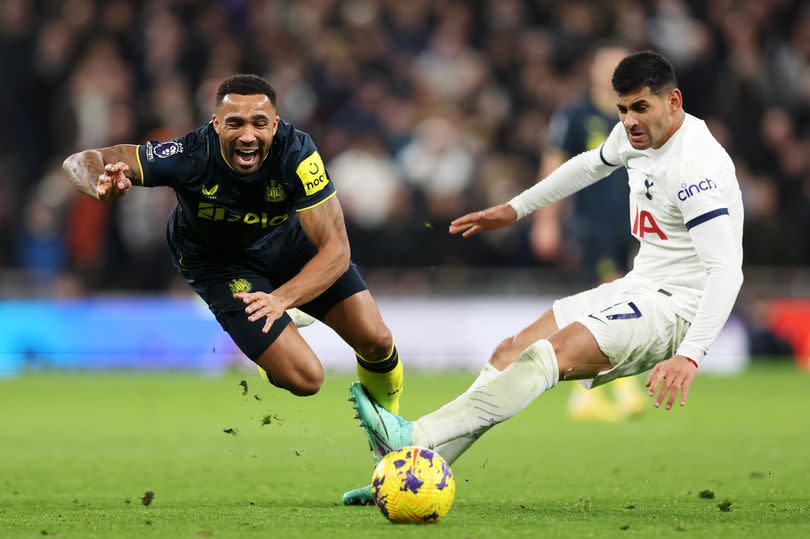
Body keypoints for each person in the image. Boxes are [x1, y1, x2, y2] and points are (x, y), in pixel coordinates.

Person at [349, 51, 744, 474]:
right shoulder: (636, 137)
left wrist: (690, 354)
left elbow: (726, 272)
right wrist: (515, 209)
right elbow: (589, 165)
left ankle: (413, 438)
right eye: (623, 109)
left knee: (548, 354)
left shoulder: (694, 168)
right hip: (639, 286)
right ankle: (412, 470)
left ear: (674, 101)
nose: (629, 121)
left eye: (640, 108)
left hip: (675, 308)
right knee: (510, 351)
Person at [62, 74, 404, 497]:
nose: (248, 134)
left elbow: (336, 250)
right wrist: (97, 184)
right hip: (222, 267)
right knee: (306, 379)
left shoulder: (298, 152)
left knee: (376, 338)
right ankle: (267, 352)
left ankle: (389, 454)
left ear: (275, 125)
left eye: (259, 123)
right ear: (215, 124)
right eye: (235, 123)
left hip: (287, 246)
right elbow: (82, 159)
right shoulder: (187, 154)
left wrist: (281, 299)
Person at [533, 44, 646, 423]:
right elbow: (554, 165)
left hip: (636, 223)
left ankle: (586, 395)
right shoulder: (576, 114)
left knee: (620, 301)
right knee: (613, 296)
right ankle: (619, 388)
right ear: (594, 71)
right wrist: (545, 221)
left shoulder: (641, 116)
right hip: (591, 222)